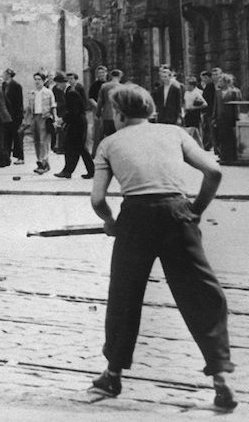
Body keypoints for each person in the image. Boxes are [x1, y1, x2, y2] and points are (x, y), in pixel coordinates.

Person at [88, 84, 236, 410]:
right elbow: (213, 170)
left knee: (124, 297)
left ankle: (112, 374)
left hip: (135, 220)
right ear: (150, 110)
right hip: (177, 213)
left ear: (120, 113)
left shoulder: (109, 143)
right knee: (202, 294)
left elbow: (98, 200)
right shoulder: (174, 132)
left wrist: (111, 221)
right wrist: (195, 209)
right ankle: (221, 378)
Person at [54, 72, 94, 179]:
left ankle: (87, 171)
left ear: (62, 83)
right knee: (74, 147)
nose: (57, 87)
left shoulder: (70, 93)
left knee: (77, 148)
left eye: (57, 84)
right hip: (77, 123)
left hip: (78, 124)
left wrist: (62, 119)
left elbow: (74, 111)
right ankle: (68, 171)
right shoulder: (69, 91)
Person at [26, 71, 56, 174]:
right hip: (35, 117)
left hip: (45, 117)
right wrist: (26, 120)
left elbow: (53, 106)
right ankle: (40, 161)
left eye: (39, 79)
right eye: (36, 79)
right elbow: (29, 108)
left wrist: (55, 118)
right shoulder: (32, 93)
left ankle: (44, 163)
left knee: (44, 141)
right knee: (36, 141)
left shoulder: (48, 92)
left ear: (44, 81)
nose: (37, 81)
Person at [215, 73, 242, 164]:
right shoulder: (218, 92)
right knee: (221, 137)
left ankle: (231, 157)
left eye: (221, 81)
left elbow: (237, 106)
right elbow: (216, 105)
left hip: (230, 118)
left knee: (230, 138)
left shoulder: (234, 92)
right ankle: (223, 156)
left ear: (226, 82)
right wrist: (214, 117)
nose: (219, 82)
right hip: (220, 118)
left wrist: (237, 118)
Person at [3, 68, 25, 165]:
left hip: (15, 115)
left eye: (4, 74)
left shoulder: (17, 86)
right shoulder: (4, 85)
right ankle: (7, 157)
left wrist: (18, 116)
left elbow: (19, 102)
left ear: (9, 75)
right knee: (6, 136)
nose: (3, 75)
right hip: (6, 115)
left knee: (16, 137)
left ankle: (20, 157)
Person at [89, 65, 109, 155]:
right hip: (97, 110)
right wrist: (98, 107)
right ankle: (95, 152)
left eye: (102, 73)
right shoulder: (94, 85)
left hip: (108, 110)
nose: (101, 75)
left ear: (106, 73)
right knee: (98, 130)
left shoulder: (108, 84)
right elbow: (90, 98)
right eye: (99, 73)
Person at [182, 76, 208, 144]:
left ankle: (199, 144)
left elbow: (205, 104)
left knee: (196, 131)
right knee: (188, 130)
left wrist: (194, 107)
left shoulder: (196, 93)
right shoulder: (186, 93)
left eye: (188, 84)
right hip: (187, 113)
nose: (186, 86)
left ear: (192, 85)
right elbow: (185, 102)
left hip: (194, 114)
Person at [200, 70, 217, 150]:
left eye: (203, 78)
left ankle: (211, 145)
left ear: (207, 77)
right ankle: (209, 145)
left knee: (210, 129)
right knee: (208, 129)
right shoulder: (208, 86)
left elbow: (209, 100)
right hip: (208, 111)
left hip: (209, 111)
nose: (202, 80)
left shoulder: (210, 86)